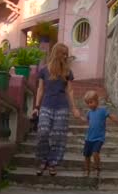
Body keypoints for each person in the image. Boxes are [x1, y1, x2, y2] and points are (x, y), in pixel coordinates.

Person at [32, 43, 81, 176]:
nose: (65, 56)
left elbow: (69, 90)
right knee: (43, 132)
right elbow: (40, 89)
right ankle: (43, 161)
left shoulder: (67, 72)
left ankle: (53, 163)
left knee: (59, 136)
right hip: (46, 105)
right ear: (56, 53)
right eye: (63, 53)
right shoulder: (44, 70)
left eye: (66, 54)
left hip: (62, 107)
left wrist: (74, 108)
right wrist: (36, 107)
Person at [80, 90, 118, 177]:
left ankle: (97, 167)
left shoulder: (103, 111)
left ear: (97, 101)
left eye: (91, 102)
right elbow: (86, 120)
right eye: (87, 103)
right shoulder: (89, 113)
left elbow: (113, 117)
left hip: (99, 138)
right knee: (86, 155)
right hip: (89, 138)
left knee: (95, 153)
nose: (89, 105)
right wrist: (79, 117)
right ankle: (87, 169)